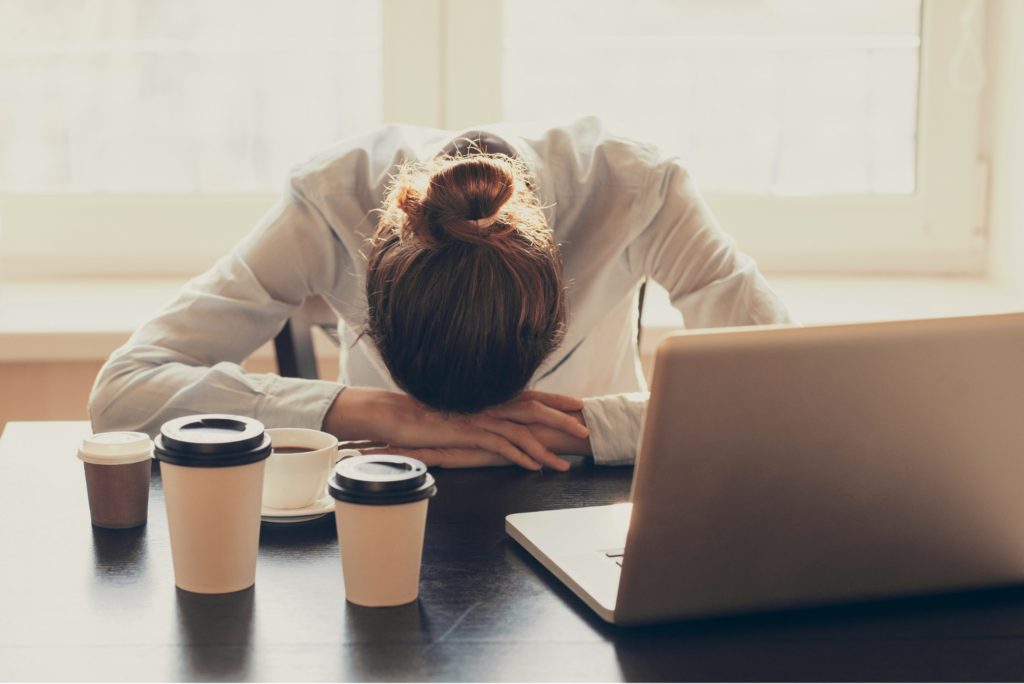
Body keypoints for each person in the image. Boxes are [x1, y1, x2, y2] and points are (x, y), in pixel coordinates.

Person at [89, 115, 792, 469]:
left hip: (586, 494)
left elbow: (795, 392)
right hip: (389, 481)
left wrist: (580, 429)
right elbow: (124, 392)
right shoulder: (331, 198)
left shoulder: (641, 189)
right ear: (374, 296)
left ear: (556, 299)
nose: (478, 428)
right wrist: (377, 413)